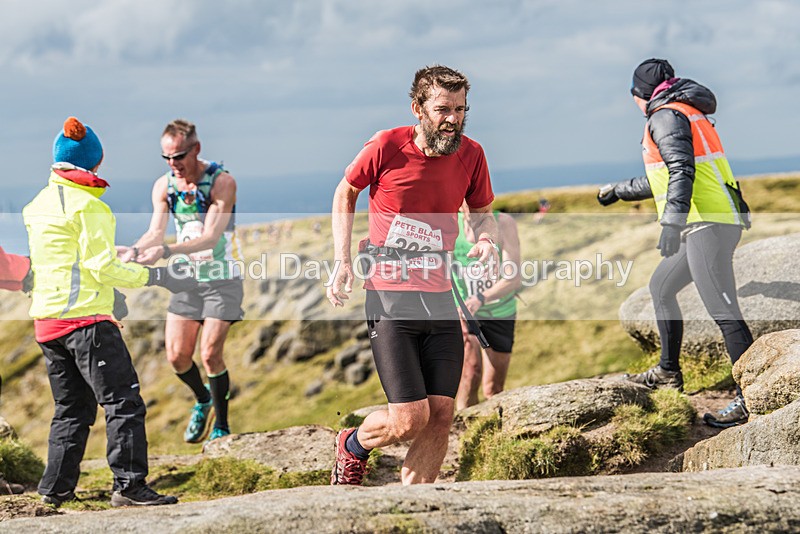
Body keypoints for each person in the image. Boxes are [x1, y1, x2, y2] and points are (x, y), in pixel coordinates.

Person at [327, 65, 499, 485]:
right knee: (409, 419)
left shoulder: (472, 154)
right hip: (390, 295)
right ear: (417, 108)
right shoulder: (387, 145)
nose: (453, 119)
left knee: (441, 414)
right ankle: (352, 445)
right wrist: (343, 260)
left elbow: (482, 213)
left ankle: (416, 509)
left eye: (460, 109)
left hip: (440, 295)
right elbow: (345, 192)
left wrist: (487, 241)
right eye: (443, 109)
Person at [23, 117, 194, 508]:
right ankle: (130, 486)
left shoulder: (36, 206)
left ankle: (54, 491)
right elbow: (100, 266)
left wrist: (111, 295)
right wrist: (155, 276)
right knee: (124, 402)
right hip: (86, 324)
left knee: (71, 410)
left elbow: (62, 263)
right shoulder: (90, 207)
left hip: (48, 324)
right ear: (94, 163)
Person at [597, 59, 753, 428]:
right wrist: (619, 191)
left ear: (640, 94)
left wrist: (671, 222)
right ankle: (668, 371)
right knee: (661, 287)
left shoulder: (664, 116)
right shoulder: (683, 110)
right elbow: (665, 174)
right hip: (707, 220)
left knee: (723, 310)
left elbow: (683, 170)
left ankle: (753, 395)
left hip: (707, 223)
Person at [122, 119, 243, 445]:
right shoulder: (164, 186)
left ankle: (222, 427)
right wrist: (135, 250)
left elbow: (209, 238)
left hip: (221, 279)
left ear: (196, 149)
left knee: (210, 354)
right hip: (187, 280)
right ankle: (203, 399)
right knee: (176, 356)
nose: (173, 164)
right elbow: (155, 232)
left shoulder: (222, 182)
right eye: (167, 158)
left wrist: (165, 250)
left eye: (179, 156)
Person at [453, 204, 522, 410]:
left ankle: (493, 435)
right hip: (465, 312)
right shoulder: (449, 223)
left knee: (492, 388)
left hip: (500, 312)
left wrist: (480, 298)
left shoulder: (504, 223)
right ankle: (465, 434)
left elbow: (514, 278)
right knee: (470, 372)